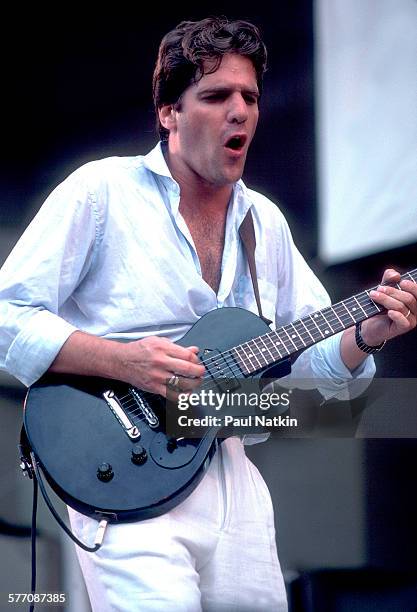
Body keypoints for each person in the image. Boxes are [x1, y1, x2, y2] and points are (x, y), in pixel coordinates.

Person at [0, 16, 416, 612]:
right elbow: (7, 313)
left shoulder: (263, 222)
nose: (239, 111)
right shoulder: (101, 191)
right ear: (169, 112)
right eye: (216, 96)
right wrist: (126, 360)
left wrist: (368, 335)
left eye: (249, 97)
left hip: (230, 468)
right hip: (125, 467)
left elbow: (315, 367)